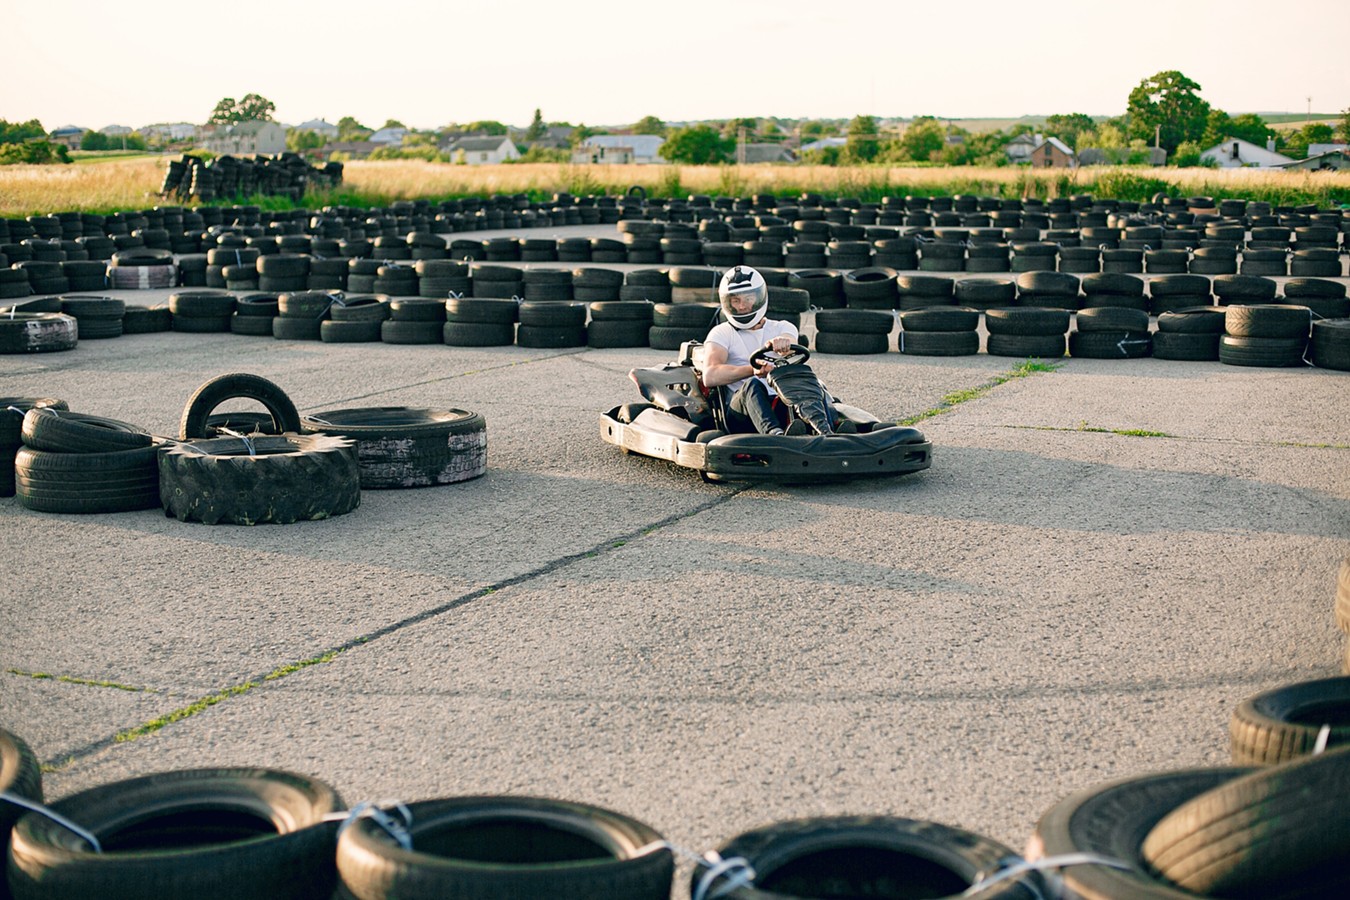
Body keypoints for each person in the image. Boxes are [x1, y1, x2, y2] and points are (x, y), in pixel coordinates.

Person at [701, 266, 842, 436]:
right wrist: (752, 370)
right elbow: (710, 375)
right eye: (736, 301)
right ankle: (774, 435)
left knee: (809, 379)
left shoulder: (782, 327)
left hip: (781, 403)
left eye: (748, 298)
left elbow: (790, 341)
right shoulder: (721, 332)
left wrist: (782, 343)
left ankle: (827, 430)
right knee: (753, 384)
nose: (743, 306)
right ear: (727, 303)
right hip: (742, 413)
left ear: (760, 297)